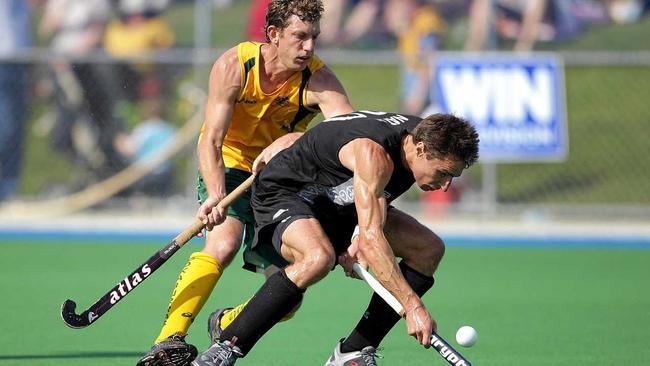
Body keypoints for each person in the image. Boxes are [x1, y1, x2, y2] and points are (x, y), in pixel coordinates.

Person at [136, 1, 354, 365]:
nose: (309, 47)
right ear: (273, 34)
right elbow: (211, 140)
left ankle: (228, 322)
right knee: (223, 243)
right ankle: (167, 341)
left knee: (291, 293)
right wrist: (217, 195)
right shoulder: (235, 65)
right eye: (300, 37)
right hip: (231, 164)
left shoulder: (319, 79)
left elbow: (349, 135)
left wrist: (294, 141)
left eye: (314, 37)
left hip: (281, 177)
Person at [192, 111, 480, 366]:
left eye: (451, 177)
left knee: (428, 248)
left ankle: (352, 352)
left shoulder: (417, 137)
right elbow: (371, 237)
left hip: (337, 203)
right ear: (421, 148)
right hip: (287, 193)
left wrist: (357, 237)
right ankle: (225, 348)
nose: (445, 186)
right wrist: (412, 306)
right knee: (318, 258)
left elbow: (370, 220)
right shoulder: (375, 155)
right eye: (443, 174)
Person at [0, 0, 32, 202]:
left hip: (18, 58)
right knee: (6, 128)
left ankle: (9, 189)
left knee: (14, 128)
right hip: (5, 59)